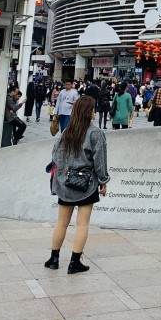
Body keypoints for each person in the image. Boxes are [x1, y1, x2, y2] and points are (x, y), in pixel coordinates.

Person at [45, 96, 109, 274]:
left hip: (65, 183)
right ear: (89, 112)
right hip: (86, 184)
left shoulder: (68, 131)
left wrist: (63, 174)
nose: (95, 112)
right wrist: (103, 181)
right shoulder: (95, 133)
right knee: (82, 224)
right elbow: (100, 162)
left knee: (61, 222)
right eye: (93, 109)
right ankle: (74, 262)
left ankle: (54, 259)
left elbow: (56, 155)